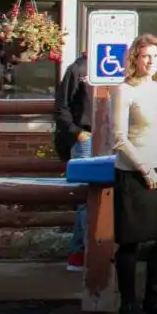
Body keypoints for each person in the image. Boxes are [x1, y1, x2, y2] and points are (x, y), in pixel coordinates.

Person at [111, 34, 157, 314]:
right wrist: (145, 170)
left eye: (155, 56)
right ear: (134, 59)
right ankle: (129, 305)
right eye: (145, 56)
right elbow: (119, 138)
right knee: (130, 242)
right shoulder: (124, 91)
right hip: (133, 174)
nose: (150, 61)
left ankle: (155, 300)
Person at [53, 53, 91, 272]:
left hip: (113, 138)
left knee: (100, 196)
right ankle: (88, 251)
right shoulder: (78, 69)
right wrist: (76, 133)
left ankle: (80, 251)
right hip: (86, 138)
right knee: (86, 196)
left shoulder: (123, 68)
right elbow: (61, 106)